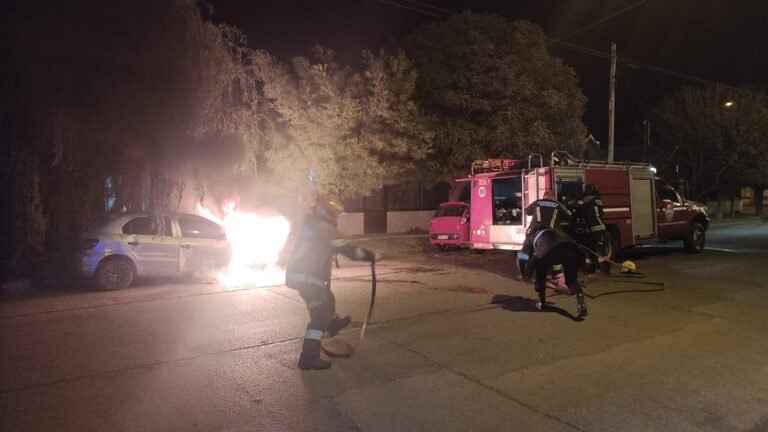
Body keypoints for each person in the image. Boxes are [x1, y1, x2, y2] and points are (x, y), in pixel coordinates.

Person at [285, 194, 377, 370]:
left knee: (329, 299)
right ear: (325, 211)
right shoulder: (322, 227)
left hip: (309, 277)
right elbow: (346, 248)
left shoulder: (315, 224)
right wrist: (368, 255)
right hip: (306, 279)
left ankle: (333, 323)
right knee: (319, 316)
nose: (336, 217)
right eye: (334, 213)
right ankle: (308, 358)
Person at [524, 228, 588, 316]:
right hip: (570, 248)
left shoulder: (531, 238)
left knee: (540, 274)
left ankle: (541, 302)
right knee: (571, 279)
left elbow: (522, 256)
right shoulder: (556, 231)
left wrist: (526, 274)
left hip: (549, 251)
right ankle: (581, 304)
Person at [517, 190, 572, 277]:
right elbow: (569, 216)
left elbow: (527, 212)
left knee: (525, 252)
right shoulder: (558, 205)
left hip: (533, 232)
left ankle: (524, 274)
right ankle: (556, 275)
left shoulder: (537, 202)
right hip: (550, 234)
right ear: (553, 197)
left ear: (544, 196)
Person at [569, 184, 610, 274]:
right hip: (599, 227)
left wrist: (571, 200)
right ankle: (601, 270)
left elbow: (574, 204)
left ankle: (596, 270)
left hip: (593, 228)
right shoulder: (597, 199)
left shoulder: (588, 199)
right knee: (594, 249)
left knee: (593, 250)